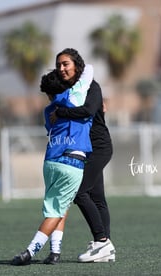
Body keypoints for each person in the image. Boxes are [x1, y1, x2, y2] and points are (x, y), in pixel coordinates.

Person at [11, 49, 93, 266]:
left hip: (51, 162)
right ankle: (30, 251)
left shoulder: (48, 111)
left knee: (60, 207)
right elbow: (89, 72)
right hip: (72, 161)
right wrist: (73, 71)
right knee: (57, 211)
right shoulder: (74, 97)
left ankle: (55, 252)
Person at [44, 49, 116, 263]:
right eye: (59, 65)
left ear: (77, 65)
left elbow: (88, 110)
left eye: (66, 63)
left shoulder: (91, 86)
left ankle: (102, 241)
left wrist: (62, 113)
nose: (62, 68)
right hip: (81, 150)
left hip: (99, 147)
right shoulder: (67, 90)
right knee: (97, 197)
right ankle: (105, 247)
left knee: (79, 193)